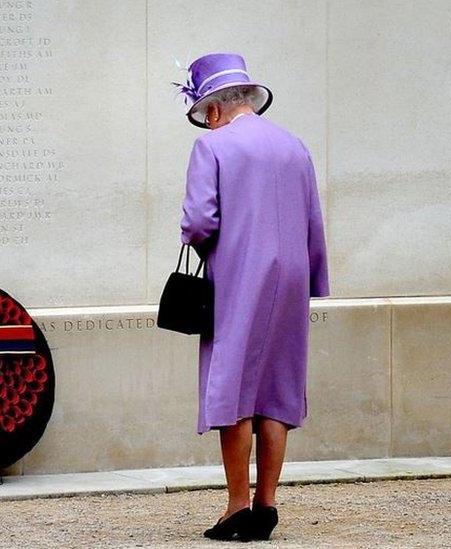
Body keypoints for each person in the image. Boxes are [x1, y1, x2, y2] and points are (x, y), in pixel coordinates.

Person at [174, 52, 330, 542]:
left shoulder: (212, 147)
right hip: (290, 281)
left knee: (233, 388)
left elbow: (199, 223)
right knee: (277, 389)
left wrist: (194, 239)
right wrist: (313, 279)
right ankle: (267, 505)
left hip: (239, 277)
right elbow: (313, 222)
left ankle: (237, 505)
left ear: (214, 109)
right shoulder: (294, 146)